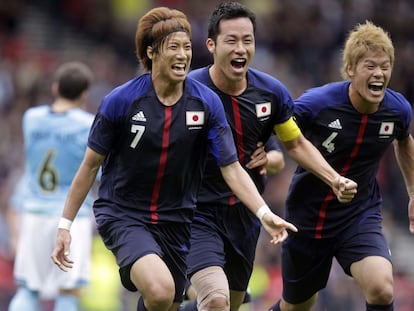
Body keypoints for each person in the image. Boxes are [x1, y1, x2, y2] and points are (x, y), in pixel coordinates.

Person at [50, 7, 301, 311]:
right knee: (160, 290)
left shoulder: (205, 103)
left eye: (186, 47)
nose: (183, 55)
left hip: (178, 219)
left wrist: (264, 214)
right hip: (126, 214)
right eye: (173, 48)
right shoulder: (121, 101)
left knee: (172, 301)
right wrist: (65, 225)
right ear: (151, 52)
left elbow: (231, 168)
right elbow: (89, 166)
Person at [181, 2, 358, 311]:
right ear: (211, 45)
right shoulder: (188, 90)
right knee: (215, 301)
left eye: (247, 40)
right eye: (231, 40)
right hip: (197, 212)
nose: (241, 48)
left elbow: (295, 143)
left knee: (230, 305)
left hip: (245, 215)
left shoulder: (271, 92)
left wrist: (334, 178)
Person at [268, 21, 414, 311]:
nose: (379, 74)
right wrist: (269, 153)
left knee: (382, 287)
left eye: (385, 67)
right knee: (296, 306)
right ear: (350, 70)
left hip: (357, 215)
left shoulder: (397, 110)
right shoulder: (317, 103)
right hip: (307, 218)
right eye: (370, 66)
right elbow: (281, 130)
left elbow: (404, 140)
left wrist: (413, 191)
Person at [8, 61, 96, 311]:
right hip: (71, 218)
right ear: (84, 94)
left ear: (55, 88)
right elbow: (95, 170)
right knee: (68, 293)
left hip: (34, 212)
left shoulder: (32, 119)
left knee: (28, 290)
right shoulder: (89, 125)